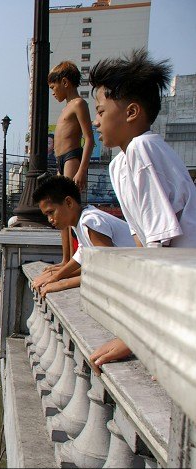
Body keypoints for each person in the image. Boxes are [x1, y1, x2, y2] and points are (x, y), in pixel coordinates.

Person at [86, 49, 196, 370]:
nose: (96, 120)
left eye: (101, 110)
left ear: (131, 112)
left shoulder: (143, 148)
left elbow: (161, 248)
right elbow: (140, 244)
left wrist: (137, 333)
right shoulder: (120, 163)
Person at [30, 176, 135, 296]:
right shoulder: (79, 222)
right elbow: (82, 254)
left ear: (69, 202)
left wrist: (63, 283)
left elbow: (106, 266)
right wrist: (56, 276)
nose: (50, 219)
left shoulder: (90, 220)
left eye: (51, 212)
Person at [47, 60, 96, 269]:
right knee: (59, 211)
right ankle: (66, 258)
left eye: (53, 87)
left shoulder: (78, 104)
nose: (53, 92)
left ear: (64, 82)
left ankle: (71, 259)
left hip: (72, 158)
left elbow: (89, 138)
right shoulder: (67, 107)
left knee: (67, 211)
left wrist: (83, 168)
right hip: (61, 161)